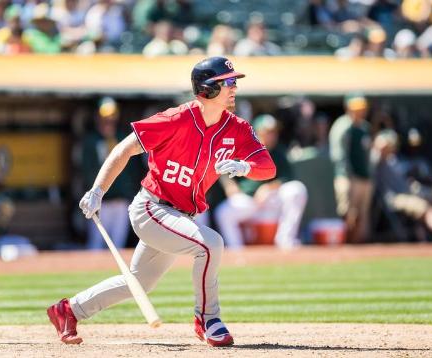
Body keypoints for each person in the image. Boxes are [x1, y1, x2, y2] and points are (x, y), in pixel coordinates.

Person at [46, 56, 276, 347]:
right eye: (227, 82)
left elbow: (268, 167)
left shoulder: (238, 128)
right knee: (210, 244)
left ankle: (68, 310)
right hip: (151, 208)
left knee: (140, 283)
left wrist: (246, 168)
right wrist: (97, 191)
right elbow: (124, 149)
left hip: (181, 216)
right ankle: (208, 319)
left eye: (234, 82)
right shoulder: (176, 118)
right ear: (206, 90)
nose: (234, 88)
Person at [215, 114, 308, 250]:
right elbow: (219, 167)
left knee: (297, 189)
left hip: (271, 200)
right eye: (267, 132)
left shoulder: (279, 151)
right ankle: (237, 251)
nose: (271, 136)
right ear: (256, 132)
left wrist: (268, 187)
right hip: (249, 200)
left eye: (273, 132)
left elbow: (287, 178)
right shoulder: (243, 147)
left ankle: (286, 240)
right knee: (223, 212)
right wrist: (230, 185)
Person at [371, 129, 432, 242]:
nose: (390, 145)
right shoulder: (374, 159)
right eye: (387, 143)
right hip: (395, 198)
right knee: (424, 207)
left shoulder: (397, 159)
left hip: (412, 190)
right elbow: (371, 164)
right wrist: (379, 149)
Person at [81, 97, 134, 250]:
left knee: (118, 245)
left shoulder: (122, 137)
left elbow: (132, 169)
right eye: (105, 118)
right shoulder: (91, 140)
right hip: (100, 201)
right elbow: (87, 170)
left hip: (121, 200)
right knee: (96, 245)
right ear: (98, 117)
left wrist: (128, 191)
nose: (108, 121)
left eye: (112, 118)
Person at [328, 93, 373, 243]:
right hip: (347, 176)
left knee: (362, 214)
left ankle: (356, 248)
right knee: (347, 212)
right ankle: (344, 245)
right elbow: (338, 155)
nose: (360, 112)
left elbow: (368, 155)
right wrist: (348, 176)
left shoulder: (365, 127)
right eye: (356, 108)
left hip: (364, 177)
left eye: (362, 108)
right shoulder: (342, 126)